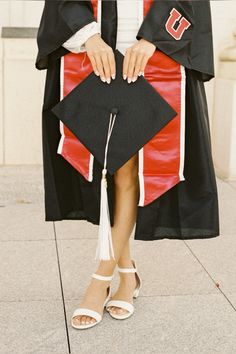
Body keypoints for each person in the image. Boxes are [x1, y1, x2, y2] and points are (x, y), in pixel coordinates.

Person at [35, 0, 220, 329]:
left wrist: (151, 39)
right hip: (95, 50)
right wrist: (90, 37)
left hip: (151, 54)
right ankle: (128, 274)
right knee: (109, 164)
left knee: (127, 168)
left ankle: (100, 278)